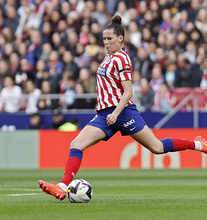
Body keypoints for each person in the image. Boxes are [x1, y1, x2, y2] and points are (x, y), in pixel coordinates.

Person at [38, 15, 207, 201]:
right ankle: (62, 186)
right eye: (104, 38)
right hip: (105, 114)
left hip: (123, 112)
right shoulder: (109, 57)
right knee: (76, 144)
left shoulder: (122, 59)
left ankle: (198, 144)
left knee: (157, 147)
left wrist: (116, 113)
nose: (105, 42)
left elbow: (128, 92)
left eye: (109, 38)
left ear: (121, 38)